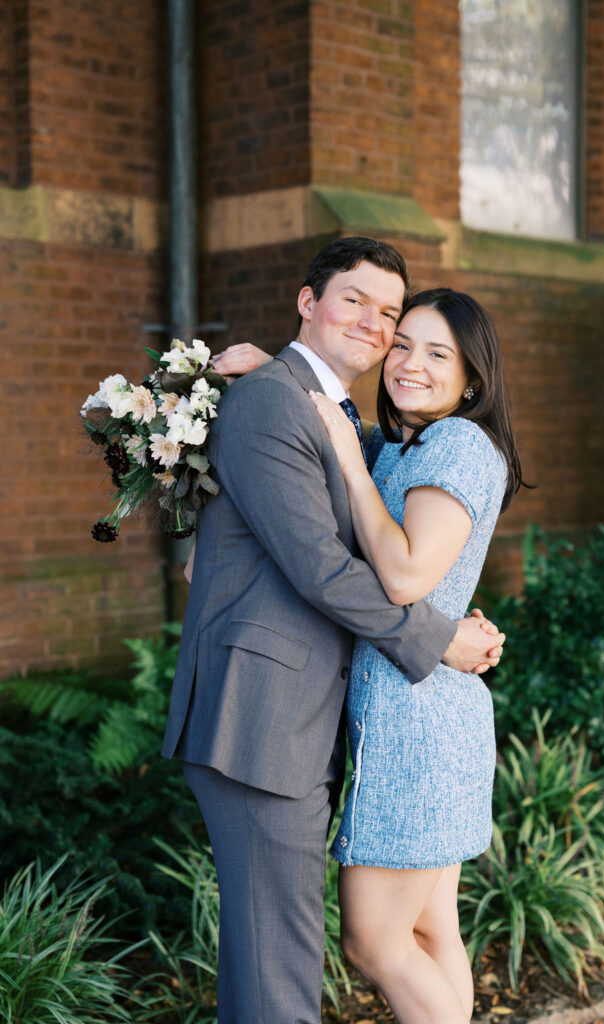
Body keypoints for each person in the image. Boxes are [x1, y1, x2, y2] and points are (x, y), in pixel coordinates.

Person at [162, 236, 506, 1024]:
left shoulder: (349, 419)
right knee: (280, 967)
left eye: (390, 313)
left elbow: (374, 465)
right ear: (307, 302)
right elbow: (320, 567)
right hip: (261, 717)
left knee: (289, 956)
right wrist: (438, 637)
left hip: (300, 718)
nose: (376, 327)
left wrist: (279, 371)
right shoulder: (273, 403)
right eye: (355, 300)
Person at [308, 287, 524, 1024]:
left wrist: (349, 462)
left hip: (415, 725)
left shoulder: (456, 443)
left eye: (437, 353)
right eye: (402, 345)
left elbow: (403, 576)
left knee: (373, 942)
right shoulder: (412, 444)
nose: (409, 363)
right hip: (430, 707)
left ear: (471, 379)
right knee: (430, 932)